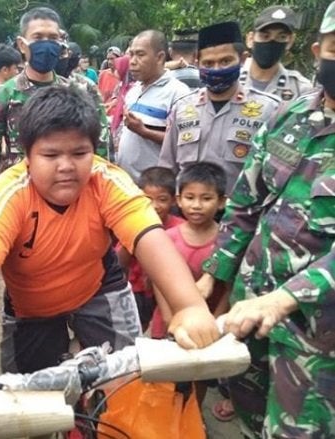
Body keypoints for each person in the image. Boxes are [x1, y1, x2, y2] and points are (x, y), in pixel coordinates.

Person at [0, 85, 221, 417]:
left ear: (95, 151)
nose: (66, 166)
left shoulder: (106, 181)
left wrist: (188, 306)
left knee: (128, 386)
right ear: (26, 156)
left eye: (79, 153)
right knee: (29, 408)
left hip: (98, 289)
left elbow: (150, 237)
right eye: (50, 155)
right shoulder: (9, 196)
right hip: (31, 307)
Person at [197, 3, 335, 437]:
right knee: (250, 417)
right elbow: (245, 204)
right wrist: (214, 276)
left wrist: (282, 299)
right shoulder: (288, 116)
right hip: (249, 310)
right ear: (318, 50)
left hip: (316, 338)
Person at [0, 6, 112, 192]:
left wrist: (95, 192)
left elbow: (101, 150)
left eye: (52, 38)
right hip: (21, 197)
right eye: (38, 37)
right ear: (22, 44)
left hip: (71, 193)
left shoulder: (82, 90)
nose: (46, 44)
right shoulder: (4, 95)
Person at [159, 21, 281, 191]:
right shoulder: (182, 108)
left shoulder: (269, 110)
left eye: (225, 61)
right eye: (208, 64)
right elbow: (167, 168)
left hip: (239, 215)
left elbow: (275, 178)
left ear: (242, 59)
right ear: (197, 62)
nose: (217, 69)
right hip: (187, 213)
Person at [150, 163, 227, 407]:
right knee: (165, 371)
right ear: (178, 200)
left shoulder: (226, 242)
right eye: (190, 197)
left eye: (206, 198)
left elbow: (228, 286)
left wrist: (216, 319)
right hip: (168, 320)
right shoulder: (169, 237)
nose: (196, 205)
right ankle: (164, 417)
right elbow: (158, 279)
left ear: (222, 201)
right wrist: (166, 315)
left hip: (208, 325)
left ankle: (193, 415)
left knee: (199, 375)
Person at [116, 166, 184, 332]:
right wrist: (132, 233)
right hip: (137, 289)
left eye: (162, 199)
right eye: (148, 199)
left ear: (174, 201)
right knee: (137, 327)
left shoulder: (179, 227)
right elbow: (119, 262)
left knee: (164, 326)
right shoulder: (131, 223)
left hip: (167, 288)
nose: (155, 206)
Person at [117, 30, 190, 182]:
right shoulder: (134, 90)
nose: (132, 61)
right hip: (127, 186)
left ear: (160, 57)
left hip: (155, 191)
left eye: (140, 55)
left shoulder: (178, 93)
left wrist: (144, 131)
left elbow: (185, 142)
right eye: (131, 54)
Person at [240, 5, 313, 101]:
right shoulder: (230, 79)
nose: (272, 42)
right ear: (250, 39)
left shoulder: (301, 89)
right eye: (265, 36)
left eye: (281, 37)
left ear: (290, 41)